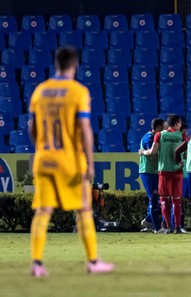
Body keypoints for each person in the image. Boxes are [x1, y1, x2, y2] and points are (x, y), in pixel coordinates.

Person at [29, 46, 114, 277]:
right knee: (84, 210)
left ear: (56, 64)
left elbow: (32, 127)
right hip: (70, 161)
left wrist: (41, 147)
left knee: (43, 211)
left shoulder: (40, 91)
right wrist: (90, 163)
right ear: (75, 65)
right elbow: (84, 129)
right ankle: (93, 262)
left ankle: (37, 264)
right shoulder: (78, 92)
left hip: (44, 159)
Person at [140, 115, 186, 234]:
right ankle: (177, 227)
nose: (181, 125)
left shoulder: (159, 135)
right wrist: (182, 161)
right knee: (176, 200)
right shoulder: (182, 136)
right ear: (177, 123)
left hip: (164, 171)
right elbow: (186, 153)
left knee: (164, 200)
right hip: (177, 171)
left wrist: (142, 152)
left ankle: (168, 227)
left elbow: (152, 152)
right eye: (180, 123)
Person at [138, 118, 164, 233]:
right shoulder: (149, 137)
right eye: (163, 126)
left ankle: (148, 221)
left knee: (157, 198)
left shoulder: (154, 137)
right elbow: (152, 154)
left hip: (154, 171)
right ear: (158, 127)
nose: (164, 129)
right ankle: (157, 228)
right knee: (153, 198)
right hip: (148, 172)